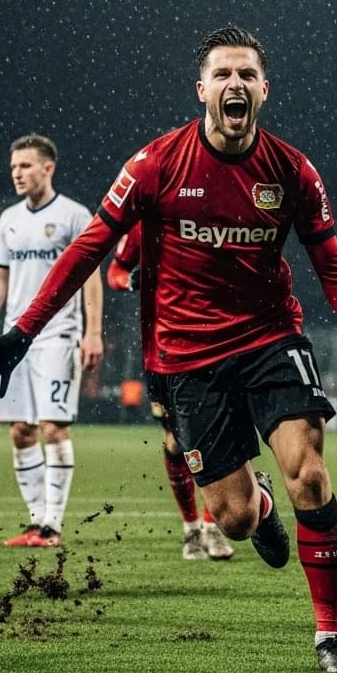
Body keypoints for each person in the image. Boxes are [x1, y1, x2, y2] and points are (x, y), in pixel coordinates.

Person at [0, 26, 337, 673]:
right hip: (188, 358)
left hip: (272, 338)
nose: (235, 84)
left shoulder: (291, 170)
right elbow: (89, 251)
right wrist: (21, 333)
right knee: (236, 520)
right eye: (223, 74)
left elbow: (333, 266)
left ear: (264, 90)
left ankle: (330, 636)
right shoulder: (156, 164)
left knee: (310, 472)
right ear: (202, 89)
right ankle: (260, 502)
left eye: (246, 74)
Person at [0, 135, 103, 548]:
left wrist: (93, 331)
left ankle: (53, 526)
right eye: (13, 168)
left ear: (48, 168)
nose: (17, 174)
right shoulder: (9, 219)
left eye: (25, 166)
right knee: (20, 430)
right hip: (14, 340)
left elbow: (91, 275)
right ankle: (36, 521)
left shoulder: (75, 216)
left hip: (58, 334)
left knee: (54, 428)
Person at [107, 224, 234, 560]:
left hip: (218, 346)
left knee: (217, 438)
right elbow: (115, 272)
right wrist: (131, 280)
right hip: (163, 353)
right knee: (177, 441)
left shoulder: (219, 220)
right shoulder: (144, 227)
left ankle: (213, 526)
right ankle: (191, 528)